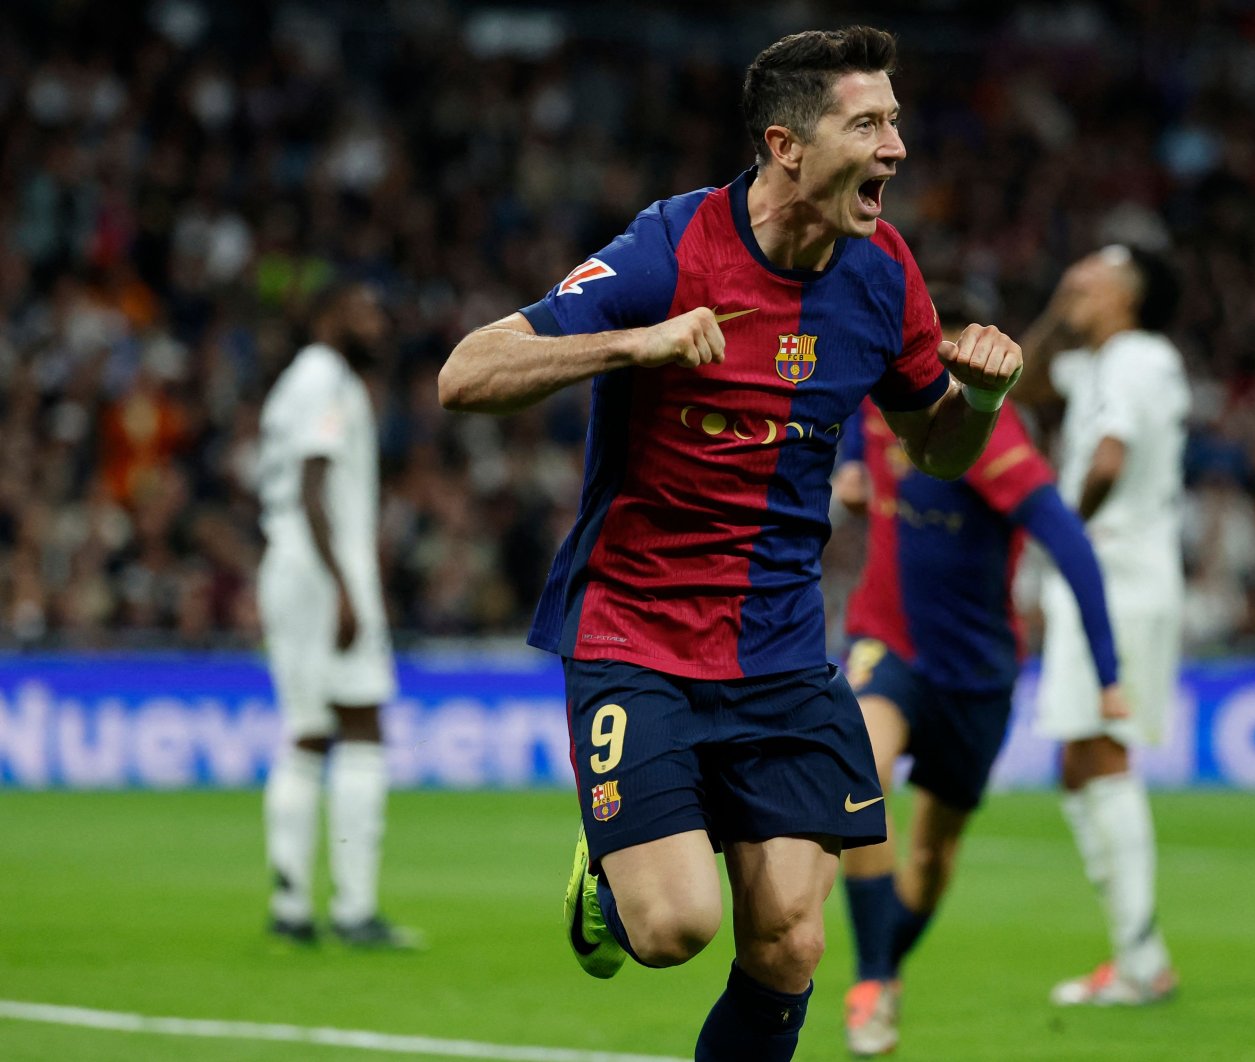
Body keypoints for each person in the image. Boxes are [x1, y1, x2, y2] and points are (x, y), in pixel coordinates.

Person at [437, 27, 1024, 1062]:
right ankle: (613, 884)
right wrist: (636, 343)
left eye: (896, 121)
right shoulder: (670, 249)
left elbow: (937, 450)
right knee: (675, 930)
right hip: (636, 631)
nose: (896, 146)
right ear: (785, 144)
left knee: (791, 943)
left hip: (780, 650)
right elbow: (466, 374)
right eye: (869, 122)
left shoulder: (883, 271)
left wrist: (977, 399)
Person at [831, 288, 1127, 1056]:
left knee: (932, 856)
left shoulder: (994, 440)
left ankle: (884, 970)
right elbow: (848, 422)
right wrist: (851, 473)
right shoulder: (882, 397)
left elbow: (1068, 541)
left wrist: (1108, 670)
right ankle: (869, 981)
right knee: (855, 771)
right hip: (886, 639)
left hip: (976, 674)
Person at [1016, 244, 1188, 1005]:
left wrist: (1064, 535)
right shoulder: (1110, 361)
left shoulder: (1133, 360)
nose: (1076, 282)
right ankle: (1133, 951)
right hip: (1117, 575)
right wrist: (1060, 307)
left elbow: (1110, 460)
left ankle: (1142, 959)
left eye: (1092, 279)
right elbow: (1016, 374)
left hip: (1114, 575)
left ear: (1127, 297)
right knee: (1078, 763)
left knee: (1101, 753)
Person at [257, 281, 418, 949]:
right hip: (322, 574)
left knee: (307, 732)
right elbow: (312, 482)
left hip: (289, 568)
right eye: (364, 308)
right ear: (327, 313)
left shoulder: (298, 381)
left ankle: (291, 905)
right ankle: (354, 910)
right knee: (362, 726)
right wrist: (346, 587)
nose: (377, 322)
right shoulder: (326, 379)